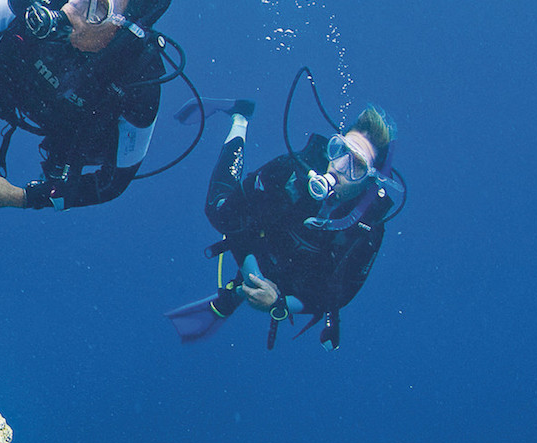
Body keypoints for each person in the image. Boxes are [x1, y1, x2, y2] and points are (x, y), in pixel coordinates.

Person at [166, 99, 399, 348]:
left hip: (298, 278)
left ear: (370, 180)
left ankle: (240, 292)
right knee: (218, 211)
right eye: (339, 150)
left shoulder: (367, 229)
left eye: (357, 166)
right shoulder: (291, 171)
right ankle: (240, 117)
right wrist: (251, 270)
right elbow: (238, 215)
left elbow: (338, 295)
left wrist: (279, 304)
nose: (340, 167)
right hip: (257, 242)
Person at [0, 0, 167, 209]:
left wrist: (20, 198)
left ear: (123, 33)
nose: (72, 5)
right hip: (5, 95)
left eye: (98, 7)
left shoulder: (141, 83)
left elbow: (115, 181)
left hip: (68, 133)